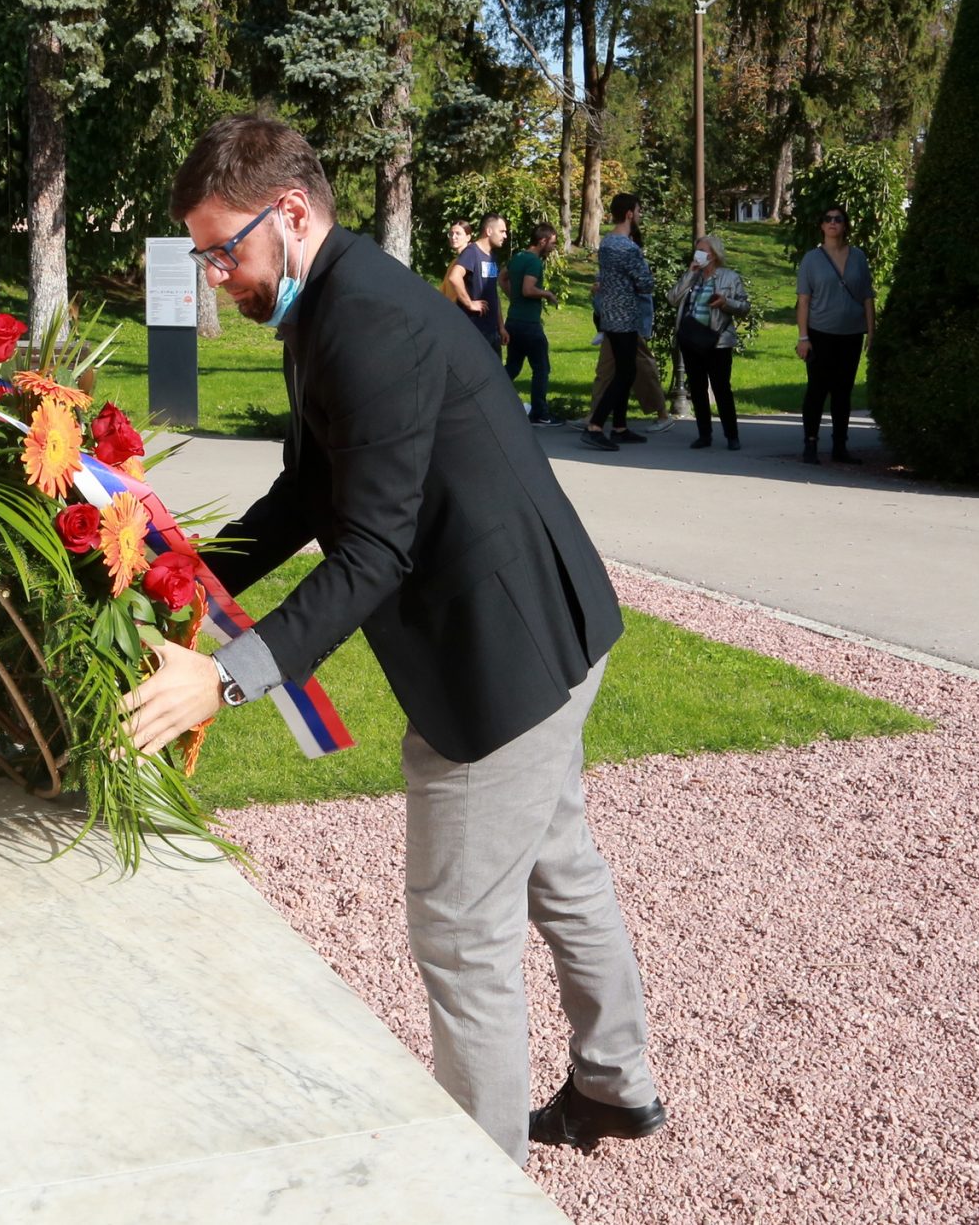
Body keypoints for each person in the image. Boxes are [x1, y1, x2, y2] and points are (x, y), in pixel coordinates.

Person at [126, 116, 668, 1166]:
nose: (216, 275)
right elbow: (309, 490)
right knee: (558, 861)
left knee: (461, 928)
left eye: (222, 249)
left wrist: (226, 678)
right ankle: (616, 1083)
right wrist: (180, 572)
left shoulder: (363, 318)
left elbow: (374, 549)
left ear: (289, 213)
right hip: (547, 622)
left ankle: (484, 1185)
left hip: (502, 661)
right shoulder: (331, 300)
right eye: (203, 256)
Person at [794, 206, 876, 464]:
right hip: (820, 333)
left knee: (843, 391)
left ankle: (840, 446)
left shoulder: (858, 257)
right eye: (828, 219)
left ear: (845, 225)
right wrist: (803, 337)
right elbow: (803, 301)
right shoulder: (811, 259)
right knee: (817, 390)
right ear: (822, 225)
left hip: (851, 334)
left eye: (838, 219)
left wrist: (871, 332)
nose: (832, 223)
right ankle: (810, 443)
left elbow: (867, 297)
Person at [582, 194, 656, 453]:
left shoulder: (606, 242)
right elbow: (646, 283)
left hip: (608, 314)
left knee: (625, 369)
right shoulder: (628, 248)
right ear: (629, 214)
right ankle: (595, 426)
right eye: (638, 210)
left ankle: (620, 427)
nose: (640, 215)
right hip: (625, 316)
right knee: (625, 372)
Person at [670, 233, 748, 451]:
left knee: (721, 388)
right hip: (691, 340)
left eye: (702, 251)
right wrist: (689, 274)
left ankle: (732, 435)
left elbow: (744, 307)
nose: (698, 254)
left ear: (713, 255)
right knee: (697, 388)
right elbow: (672, 298)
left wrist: (725, 302)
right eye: (697, 250)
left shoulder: (729, 277)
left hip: (717, 341)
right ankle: (704, 435)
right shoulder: (693, 276)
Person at [505, 223, 562, 425]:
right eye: (552, 243)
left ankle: (489, 397)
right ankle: (539, 413)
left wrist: (513, 297)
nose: (553, 248)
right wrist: (547, 294)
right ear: (542, 241)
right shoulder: (534, 262)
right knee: (541, 368)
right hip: (529, 324)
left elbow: (502, 278)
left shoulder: (518, 257)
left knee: (512, 366)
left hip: (513, 320)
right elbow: (528, 290)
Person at [445, 213, 508, 357]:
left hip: (492, 330)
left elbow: (493, 294)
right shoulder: (472, 252)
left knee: (495, 370)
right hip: (474, 328)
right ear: (489, 231)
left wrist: (501, 327)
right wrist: (470, 304)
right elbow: (454, 277)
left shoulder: (492, 256)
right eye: (502, 231)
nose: (505, 236)